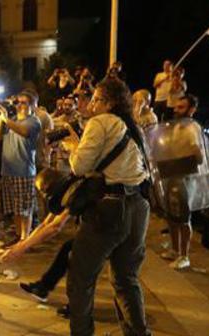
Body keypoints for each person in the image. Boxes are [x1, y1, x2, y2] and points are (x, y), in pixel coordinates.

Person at [61, 78, 151, 336]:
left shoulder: (100, 122)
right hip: (139, 207)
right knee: (126, 279)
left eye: (97, 99)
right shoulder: (133, 127)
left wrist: (72, 147)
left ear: (109, 103)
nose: (91, 103)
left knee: (80, 278)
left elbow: (79, 166)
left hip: (111, 209)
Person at [159, 94, 202, 270]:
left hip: (185, 175)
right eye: (176, 107)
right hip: (170, 173)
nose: (176, 110)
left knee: (183, 217)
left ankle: (184, 255)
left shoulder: (192, 128)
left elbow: (198, 155)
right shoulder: (175, 127)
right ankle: (175, 250)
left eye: (181, 107)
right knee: (171, 215)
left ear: (192, 109)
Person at [0, 91, 41, 242]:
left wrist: (6, 120)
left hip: (24, 171)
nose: (19, 105)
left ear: (32, 105)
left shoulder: (33, 121)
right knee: (15, 208)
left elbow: (24, 132)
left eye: (24, 102)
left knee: (25, 208)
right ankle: (18, 235)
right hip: (8, 171)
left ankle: (25, 238)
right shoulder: (10, 120)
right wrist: (2, 120)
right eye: (17, 102)